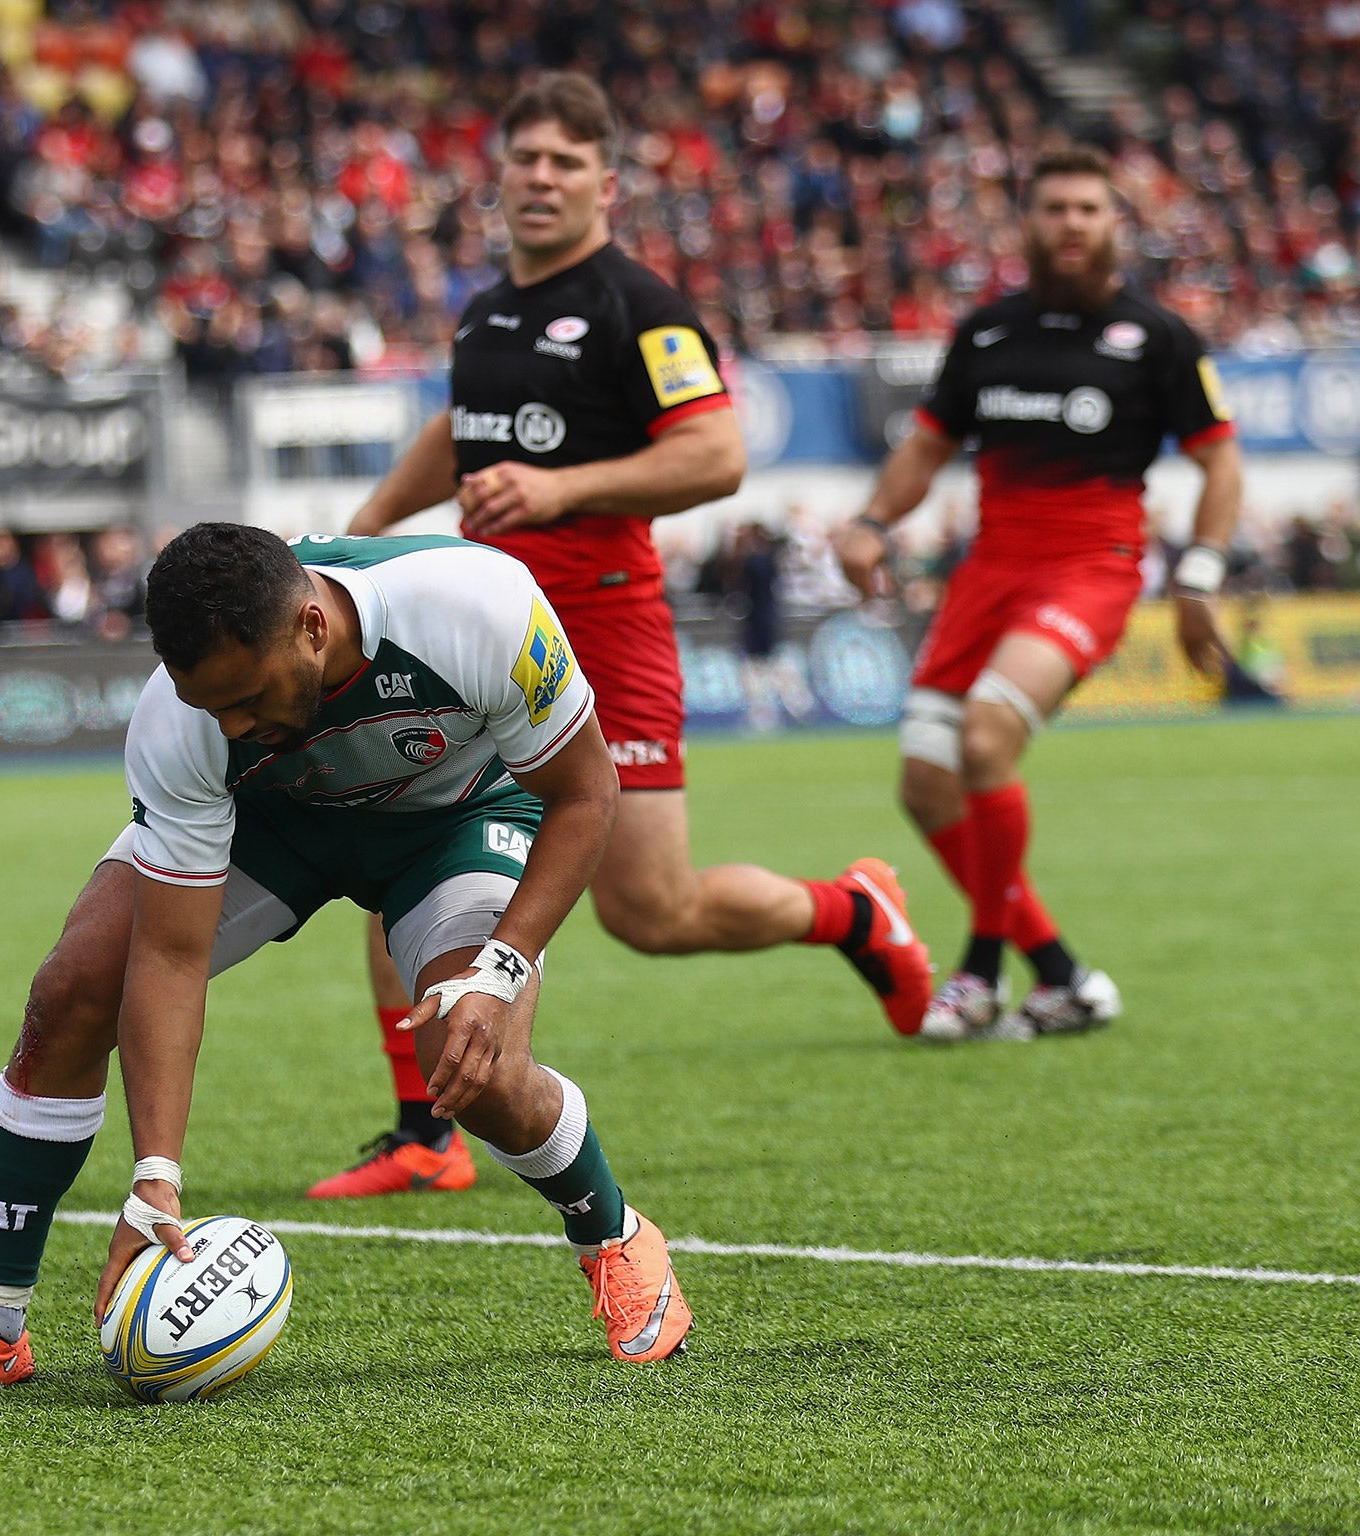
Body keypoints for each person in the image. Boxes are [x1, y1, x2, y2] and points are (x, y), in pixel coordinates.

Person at [0, 525, 695, 1396]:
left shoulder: (478, 606)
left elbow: (589, 794)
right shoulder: (180, 719)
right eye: (212, 706)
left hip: (457, 820)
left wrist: (502, 967)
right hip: (277, 824)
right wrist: (156, 1177)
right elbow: (170, 957)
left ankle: (612, 1233)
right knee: (73, 991)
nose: (231, 723)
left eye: (247, 699)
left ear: (310, 627)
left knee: (470, 1061)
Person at [324, 72, 932, 1199]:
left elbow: (716, 454)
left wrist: (561, 492)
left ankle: (853, 910)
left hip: (602, 624)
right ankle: (424, 1132)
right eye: (525, 160)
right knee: (407, 859)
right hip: (476, 629)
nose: (541, 179)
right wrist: (363, 529)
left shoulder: (636, 304)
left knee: (651, 912)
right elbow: (459, 427)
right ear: (496, 177)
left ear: (604, 183)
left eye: (565, 162)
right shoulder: (484, 309)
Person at [835, 145, 1241, 1041]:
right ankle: (1060, 975)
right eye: (1054, 208)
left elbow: (1220, 460)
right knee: (924, 785)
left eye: (1088, 210)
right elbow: (926, 449)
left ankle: (979, 974)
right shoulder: (986, 333)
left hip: (1091, 567)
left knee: (985, 739)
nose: (1070, 225)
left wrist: (1201, 571)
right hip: (990, 571)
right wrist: (869, 520)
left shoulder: (1158, 338)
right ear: (1029, 222)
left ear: (1113, 225)